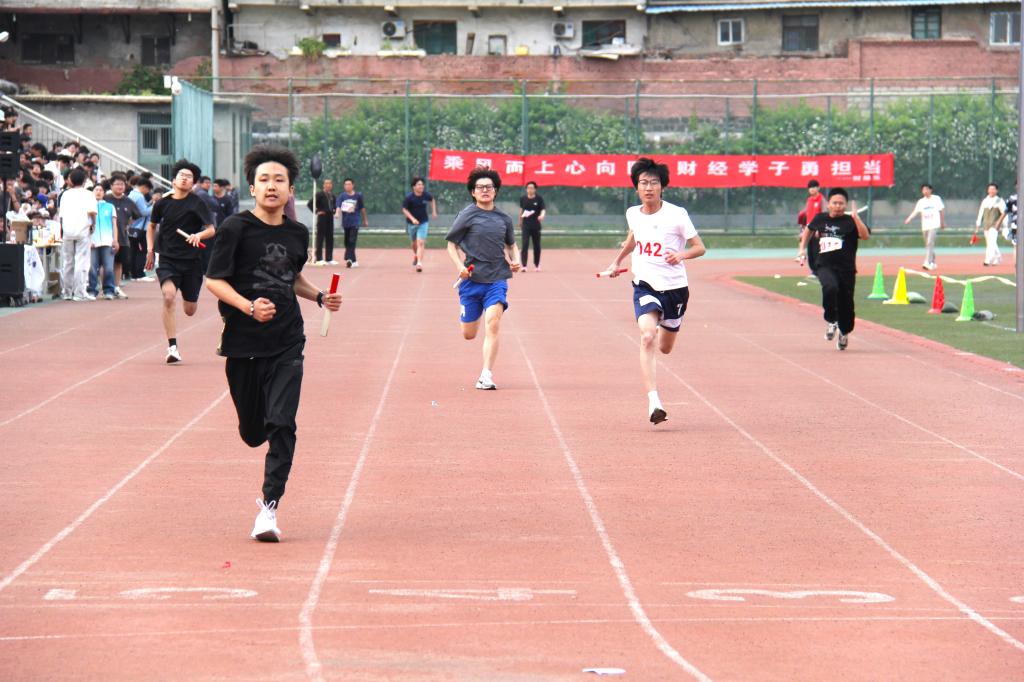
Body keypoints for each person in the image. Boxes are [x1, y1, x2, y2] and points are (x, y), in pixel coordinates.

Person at [205, 145, 342, 542]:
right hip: (242, 343)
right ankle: (259, 430)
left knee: (282, 423)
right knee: (253, 432)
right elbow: (214, 280)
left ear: (290, 189)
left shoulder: (297, 233)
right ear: (252, 187)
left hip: (287, 341)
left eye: (279, 180)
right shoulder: (234, 228)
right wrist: (248, 307)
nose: (271, 186)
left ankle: (268, 509)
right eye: (263, 179)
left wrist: (319, 297)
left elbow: (291, 277)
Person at [603, 157, 706, 425]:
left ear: (662, 186)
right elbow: (633, 238)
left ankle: (665, 321)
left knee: (665, 347)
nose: (648, 188)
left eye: (654, 183)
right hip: (645, 285)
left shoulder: (677, 214)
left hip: (675, 289)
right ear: (636, 187)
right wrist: (616, 262)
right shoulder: (633, 213)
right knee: (647, 337)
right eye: (643, 183)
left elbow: (700, 247)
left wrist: (681, 255)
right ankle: (654, 402)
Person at [446, 167, 521, 390]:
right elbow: (451, 245)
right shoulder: (466, 215)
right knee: (469, 334)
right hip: (471, 281)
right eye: (480, 187)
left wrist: (516, 260)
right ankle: (473, 312)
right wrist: (460, 266)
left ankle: (486, 375)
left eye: (489, 187)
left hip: (497, 278)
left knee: (493, 322)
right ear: (473, 192)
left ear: (495, 191)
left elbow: (511, 245)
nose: (485, 190)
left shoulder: (504, 219)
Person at [145, 159, 216, 363]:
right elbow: (151, 226)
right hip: (168, 259)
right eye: (181, 175)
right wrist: (150, 249)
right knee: (168, 297)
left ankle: (191, 296)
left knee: (190, 310)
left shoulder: (197, 203)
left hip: (192, 261)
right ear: (174, 180)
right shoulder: (162, 203)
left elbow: (211, 229)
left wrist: (198, 235)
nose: (185, 179)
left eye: (189, 177)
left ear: (193, 183)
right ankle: (172, 347)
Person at [797, 188, 871, 351]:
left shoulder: (850, 221)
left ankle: (844, 332)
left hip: (847, 269)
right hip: (825, 265)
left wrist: (857, 218)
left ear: (845, 205)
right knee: (830, 287)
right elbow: (809, 229)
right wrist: (801, 249)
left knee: (846, 304)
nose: (838, 206)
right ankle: (832, 320)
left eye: (841, 203)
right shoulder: (820, 218)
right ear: (828, 204)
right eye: (835, 203)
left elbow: (865, 236)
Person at [57, 167, 97, 302]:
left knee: (68, 261)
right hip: (83, 229)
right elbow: (92, 212)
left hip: (67, 230)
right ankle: (79, 292)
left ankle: (67, 292)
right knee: (82, 261)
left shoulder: (65, 194)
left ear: (71, 180)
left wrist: (62, 229)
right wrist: (93, 224)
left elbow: (61, 215)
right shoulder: (88, 194)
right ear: (84, 180)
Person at [105, 173, 141, 295]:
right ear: (111, 186)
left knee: (118, 263)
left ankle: (116, 287)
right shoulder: (105, 199)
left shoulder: (128, 201)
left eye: (122, 184)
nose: (120, 187)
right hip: (106, 237)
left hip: (123, 237)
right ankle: (105, 288)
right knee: (106, 264)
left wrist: (127, 225)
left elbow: (136, 216)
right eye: (117, 184)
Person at [903, 183, 945, 271]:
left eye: (926, 189)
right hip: (925, 226)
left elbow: (941, 211)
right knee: (928, 244)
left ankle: (927, 262)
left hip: (934, 224)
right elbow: (915, 211)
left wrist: (942, 222)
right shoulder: (921, 202)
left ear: (930, 190)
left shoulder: (936, 199)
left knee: (930, 242)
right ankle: (933, 262)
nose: (925, 191)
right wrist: (909, 218)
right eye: (923, 190)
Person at [87, 184, 118, 300]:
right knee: (92, 268)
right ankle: (91, 290)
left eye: (101, 190)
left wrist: (115, 240)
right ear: (92, 192)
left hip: (107, 241)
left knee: (109, 268)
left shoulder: (110, 206)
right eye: (96, 190)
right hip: (92, 241)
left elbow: (114, 224)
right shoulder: (88, 206)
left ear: (104, 193)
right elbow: (86, 224)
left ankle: (109, 290)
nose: (98, 192)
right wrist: (88, 239)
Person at [402, 176, 437, 272]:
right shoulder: (409, 198)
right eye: (419, 184)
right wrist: (412, 219)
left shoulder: (426, 195)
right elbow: (404, 209)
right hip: (411, 224)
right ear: (414, 187)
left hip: (423, 222)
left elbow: (432, 200)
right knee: (414, 244)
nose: (421, 186)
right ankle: (416, 255)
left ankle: (419, 263)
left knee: (420, 242)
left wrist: (434, 211)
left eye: (422, 184)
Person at [334, 178, 367, 268]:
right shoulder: (342, 196)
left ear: (353, 185)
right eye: (345, 184)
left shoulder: (358, 196)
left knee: (352, 240)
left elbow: (362, 209)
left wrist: (365, 220)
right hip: (346, 222)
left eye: (349, 184)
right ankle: (354, 260)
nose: (347, 186)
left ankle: (349, 259)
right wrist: (337, 213)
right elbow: (338, 206)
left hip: (355, 221)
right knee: (347, 241)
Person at [127, 177, 154, 281]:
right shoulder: (139, 196)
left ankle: (133, 273)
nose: (147, 192)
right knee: (141, 251)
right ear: (144, 187)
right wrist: (155, 206)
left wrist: (150, 203)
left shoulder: (131, 194)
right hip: (140, 228)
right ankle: (139, 274)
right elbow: (144, 212)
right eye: (148, 190)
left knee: (133, 251)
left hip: (132, 227)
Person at [797, 179, 825, 275]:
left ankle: (818, 270)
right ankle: (813, 270)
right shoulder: (809, 200)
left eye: (814, 187)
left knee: (817, 251)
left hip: (818, 231)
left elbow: (824, 215)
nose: (812, 189)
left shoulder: (822, 199)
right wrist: (803, 230)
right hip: (809, 230)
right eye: (810, 187)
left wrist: (820, 229)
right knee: (810, 251)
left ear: (818, 188)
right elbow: (806, 215)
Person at [975, 182, 1006, 266]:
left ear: (997, 190)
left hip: (995, 225)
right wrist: (978, 223)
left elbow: (1004, 213)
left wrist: (1005, 225)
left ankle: (987, 260)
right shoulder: (985, 201)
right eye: (990, 189)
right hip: (986, 225)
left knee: (991, 242)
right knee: (990, 243)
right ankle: (998, 257)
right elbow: (981, 212)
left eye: (993, 189)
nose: (991, 191)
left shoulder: (999, 201)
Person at [307, 177, 337, 265]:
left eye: (330, 183)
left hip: (330, 217)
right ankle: (319, 258)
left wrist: (334, 211)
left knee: (330, 237)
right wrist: (317, 211)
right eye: (326, 183)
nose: (328, 185)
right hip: (322, 217)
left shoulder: (332, 196)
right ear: (324, 185)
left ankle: (329, 258)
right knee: (320, 237)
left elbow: (335, 206)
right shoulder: (319, 194)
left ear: (332, 185)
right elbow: (310, 204)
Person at [518, 181, 546, 272]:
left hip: (536, 225)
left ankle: (537, 265)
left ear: (535, 189)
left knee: (536, 245)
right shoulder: (523, 199)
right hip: (526, 225)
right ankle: (524, 265)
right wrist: (520, 221)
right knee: (525, 244)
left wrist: (542, 215)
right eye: (528, 188)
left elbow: (543, 209)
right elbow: (521, 210)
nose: (530, 190)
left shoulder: (539, 199)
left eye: (532, 188)